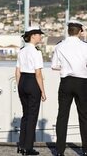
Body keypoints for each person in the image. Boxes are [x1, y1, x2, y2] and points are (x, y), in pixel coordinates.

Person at [51, 20, 87, 156]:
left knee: (62, 116)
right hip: (82, 82)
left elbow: (54, 66)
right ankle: (85, 149)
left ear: (68, 31)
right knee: (84, 116)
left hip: (66, 82)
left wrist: (66, 68)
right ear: (80, 31)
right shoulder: (85, 46)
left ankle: (59, 150)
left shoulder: (60, 46)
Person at [15, 26, 46, 155]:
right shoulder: (36, 52)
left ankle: (21, 145)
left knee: (25, 115)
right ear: (33, 35)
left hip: (22, 81)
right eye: (39, 34)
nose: (41, 36)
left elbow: (17, 71)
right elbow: (38, 73)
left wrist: (19, 86)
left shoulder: (22, 51)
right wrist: (43, 91)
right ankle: (28, 148)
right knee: (32, 116)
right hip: (33, 82)